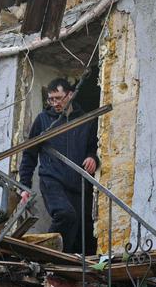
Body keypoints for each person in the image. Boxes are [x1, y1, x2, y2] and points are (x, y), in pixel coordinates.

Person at [18, 77, 99, 254]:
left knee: (83, 230)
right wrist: (24, 185)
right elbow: (29, 154)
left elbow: (94, 147)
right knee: (65, 214)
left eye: (58, 98)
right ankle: (48, 253)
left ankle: (71, 264)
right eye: (51, 99)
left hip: (79, 183)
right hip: (52, 179)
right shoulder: (43, 120)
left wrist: (93, 157)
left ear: (70, 95)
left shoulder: (85, 120)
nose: (54, 103)